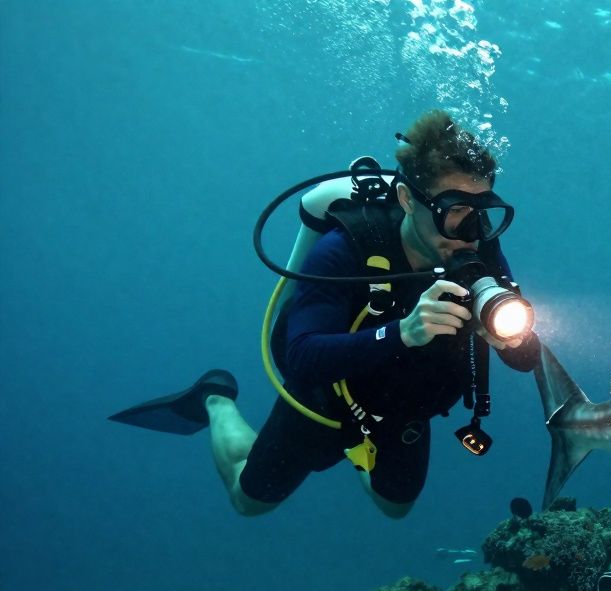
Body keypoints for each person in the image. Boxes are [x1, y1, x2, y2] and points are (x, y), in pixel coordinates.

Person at [110, 110, 540, 518]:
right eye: (454, 210)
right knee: (249, 501)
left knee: (395, 508)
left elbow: (525, 358)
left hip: (402, 406)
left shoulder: (478, 245)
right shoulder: (347, 248)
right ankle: (216, 398)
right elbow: (300, 356)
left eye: (483, 211)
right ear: (408, 199)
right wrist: (404, 332)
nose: (470, 230)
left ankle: (359, 453)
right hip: (326, 402)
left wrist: (513, 336)